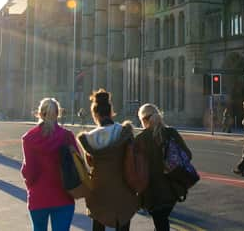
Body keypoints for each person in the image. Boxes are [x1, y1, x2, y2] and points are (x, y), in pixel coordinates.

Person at [77, 89, 138, 231]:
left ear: (95, 114)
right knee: (123, 221)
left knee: (98, 222)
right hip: (123, 186)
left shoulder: (90, 138)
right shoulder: (123, 132)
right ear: (111, 112)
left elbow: (90, 164)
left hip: (100, 189)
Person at [21, 98, 80, 231]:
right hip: (63, 196)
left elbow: (29, 171)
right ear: (58, 114)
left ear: (40, 114)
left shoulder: (29, 138)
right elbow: (77, 165)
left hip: (39, 196)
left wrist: (30, 185)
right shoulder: (67, 136)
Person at [136, 103, 192, 231]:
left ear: (144, 120)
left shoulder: (141, 139)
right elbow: (187, 155)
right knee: (162, 221)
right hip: (174, 188)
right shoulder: (172, 133)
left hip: (152, 192)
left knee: (161, 223)